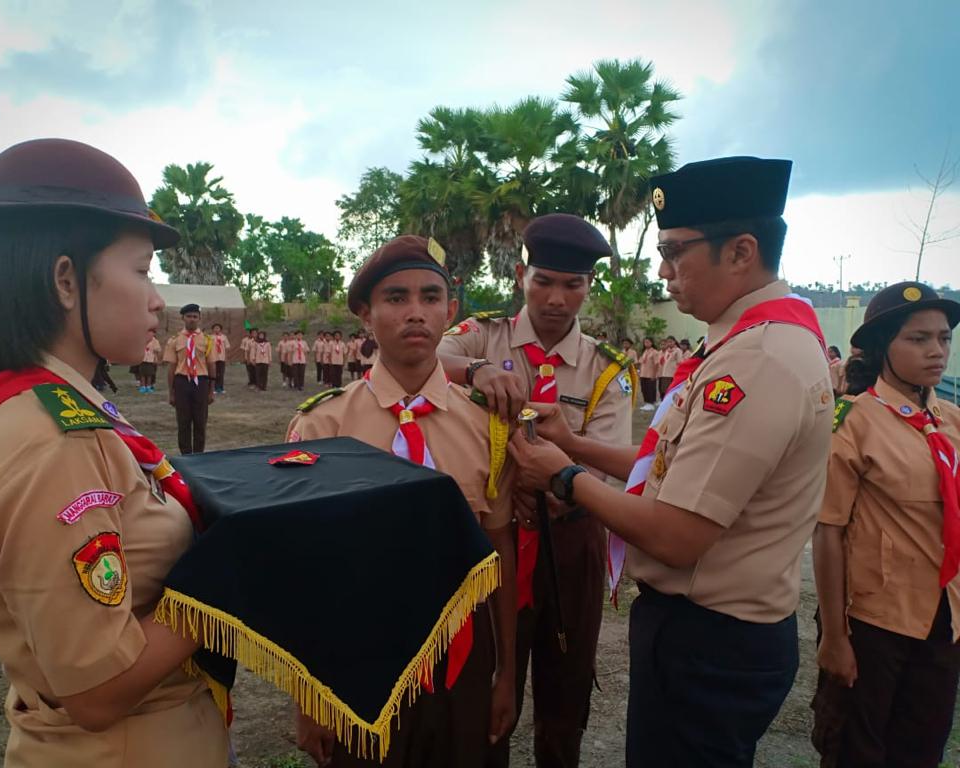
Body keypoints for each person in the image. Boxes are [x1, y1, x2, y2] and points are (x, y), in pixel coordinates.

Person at [507, 157, 833, 767]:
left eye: (675, 251)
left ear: (740, 252)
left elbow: (679, 534)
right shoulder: (747, 341)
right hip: (707, 631)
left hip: (709, 638)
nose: (663, 271)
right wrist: (575, 445)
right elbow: (667, 464)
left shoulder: (757, 360)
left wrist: (563, 476)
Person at [0, 138, 227, 766]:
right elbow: (97, 691)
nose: (157, 300)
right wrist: (227, 586)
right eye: (143, 270)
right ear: (66, 281)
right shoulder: (53, 444)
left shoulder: (64, 409)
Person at [288, 235, 517, 768]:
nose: (416, 313)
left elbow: (500, 546)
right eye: (395, 298)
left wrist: (506, 671)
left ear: (451, 311)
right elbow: (306, 568)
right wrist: (307, 695)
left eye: (430, 297)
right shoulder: (322, 425)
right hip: (358, 656)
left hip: (461, 655)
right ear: (366, 314)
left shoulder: (487, 424)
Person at [439, 212, 635, 768]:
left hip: (568, 542)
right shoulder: (483, 334)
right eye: (544, 280)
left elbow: (604, 465)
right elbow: (425, 355)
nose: (556, 298)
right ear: (520, 274)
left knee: (565, 688)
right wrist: (475, 369)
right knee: (487, 683)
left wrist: (555, 487)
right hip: (491, 538)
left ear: (587, 288)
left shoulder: (604, 369)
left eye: (572, 285)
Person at [811, 282, 960, 768]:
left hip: (943, 621)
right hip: (875, 624)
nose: (936, 351)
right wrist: (834, 635)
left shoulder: (952, 422)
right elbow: (828, 530)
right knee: (857, 750)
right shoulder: (852, 420)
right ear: (881, 349)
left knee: (921, 751)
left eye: (943, 338)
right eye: (918, 339)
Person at [163, 303, 217, 454]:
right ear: (183, 318)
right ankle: (186, 455)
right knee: (183, 421)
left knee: (200, 421)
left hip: (201, 382)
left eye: (195, 316)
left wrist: (212, 390)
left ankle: (199, 454)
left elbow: (212, 365)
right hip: (181, 382)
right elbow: (171, 368)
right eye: (189, 316)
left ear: (199, 319)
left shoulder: (207, 340)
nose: (192, 320)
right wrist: (171, 392)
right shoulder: (174, 340)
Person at [638, 337, 660, 411]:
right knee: (644, 389)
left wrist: (654, 374)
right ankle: (647, 402)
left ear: (652, 343)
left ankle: (651, 403)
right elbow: (641, 363)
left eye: (648, 342)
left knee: (650, 389)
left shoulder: (655, 352)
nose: (646, 344)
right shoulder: (644, 352)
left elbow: (656, 364)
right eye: (645, 342)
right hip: (643, 373)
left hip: (650, 373)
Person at [210, 322, 229, 394]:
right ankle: (214, 388)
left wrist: (226, 357)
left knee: (221, 373)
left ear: (220, 329)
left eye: (218, 328)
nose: (216, 329)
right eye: (215, 328)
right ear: (213, 329)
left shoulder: (224, 337)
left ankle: (221, 388)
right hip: (213, 358)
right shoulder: (210, 337)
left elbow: (227, 347)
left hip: (221, 358)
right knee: (214, 373)